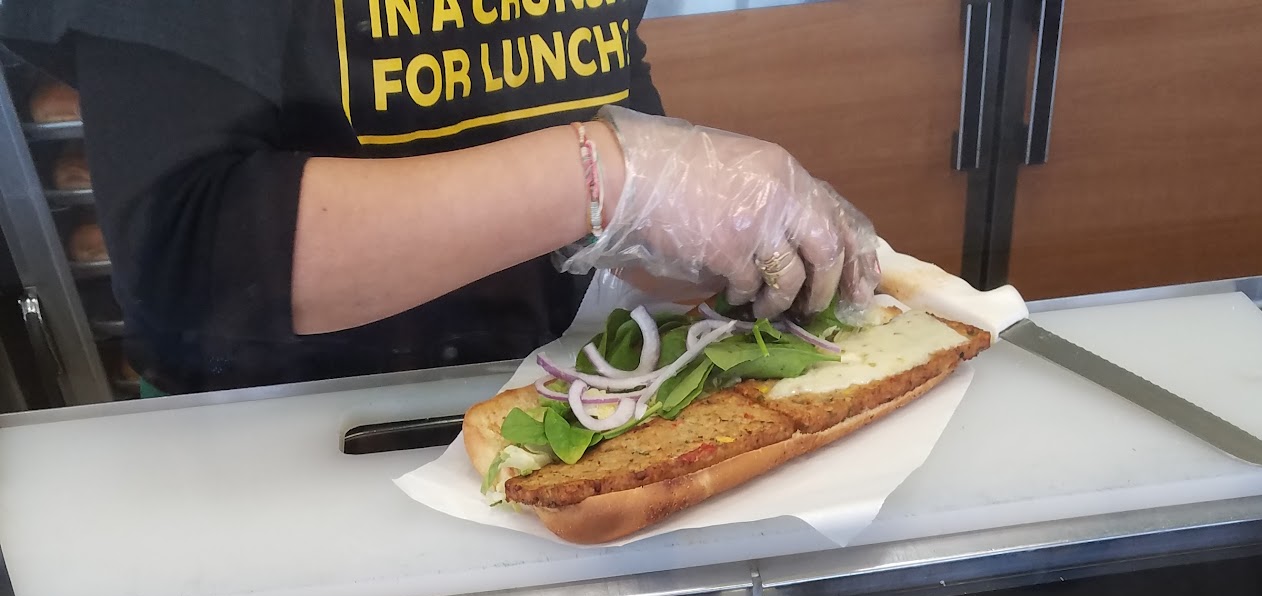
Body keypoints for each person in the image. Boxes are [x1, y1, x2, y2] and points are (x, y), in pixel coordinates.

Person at [1, 1, 878, 393]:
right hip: (276, 438)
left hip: (540, 390)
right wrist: (614, 177)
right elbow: (186, 246)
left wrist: (692, 218)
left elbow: (593, 73)